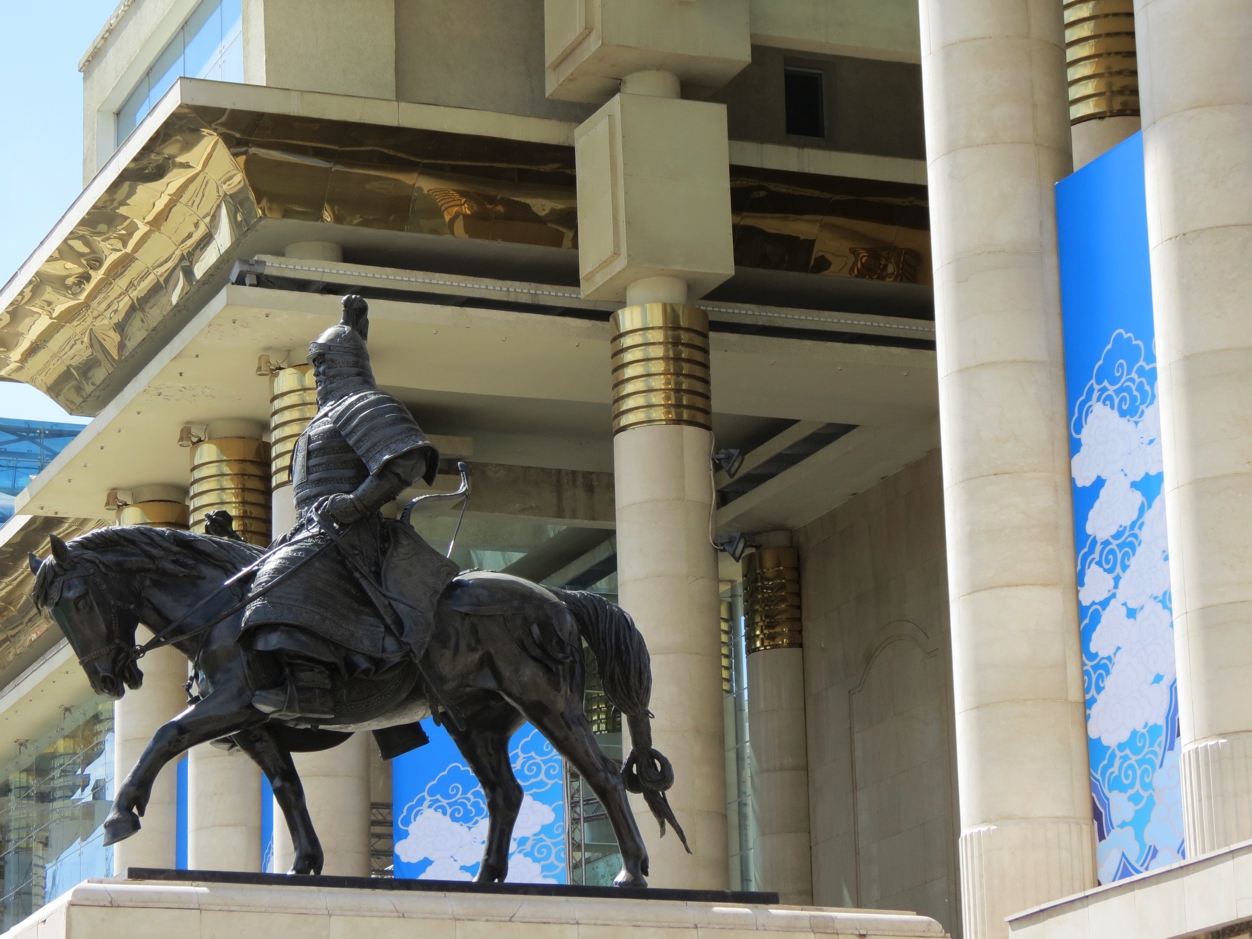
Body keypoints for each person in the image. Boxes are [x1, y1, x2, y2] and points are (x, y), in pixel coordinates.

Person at [242, 295, 459, 719]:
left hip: (356, 536)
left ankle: (311, 686)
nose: (318, 373)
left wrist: (356, 502)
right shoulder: (317, 423)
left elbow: (409, 460)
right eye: (316, 364)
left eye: (325, 362)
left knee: (284, 583)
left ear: (347, 362)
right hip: (315, 531)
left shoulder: (362, 404)